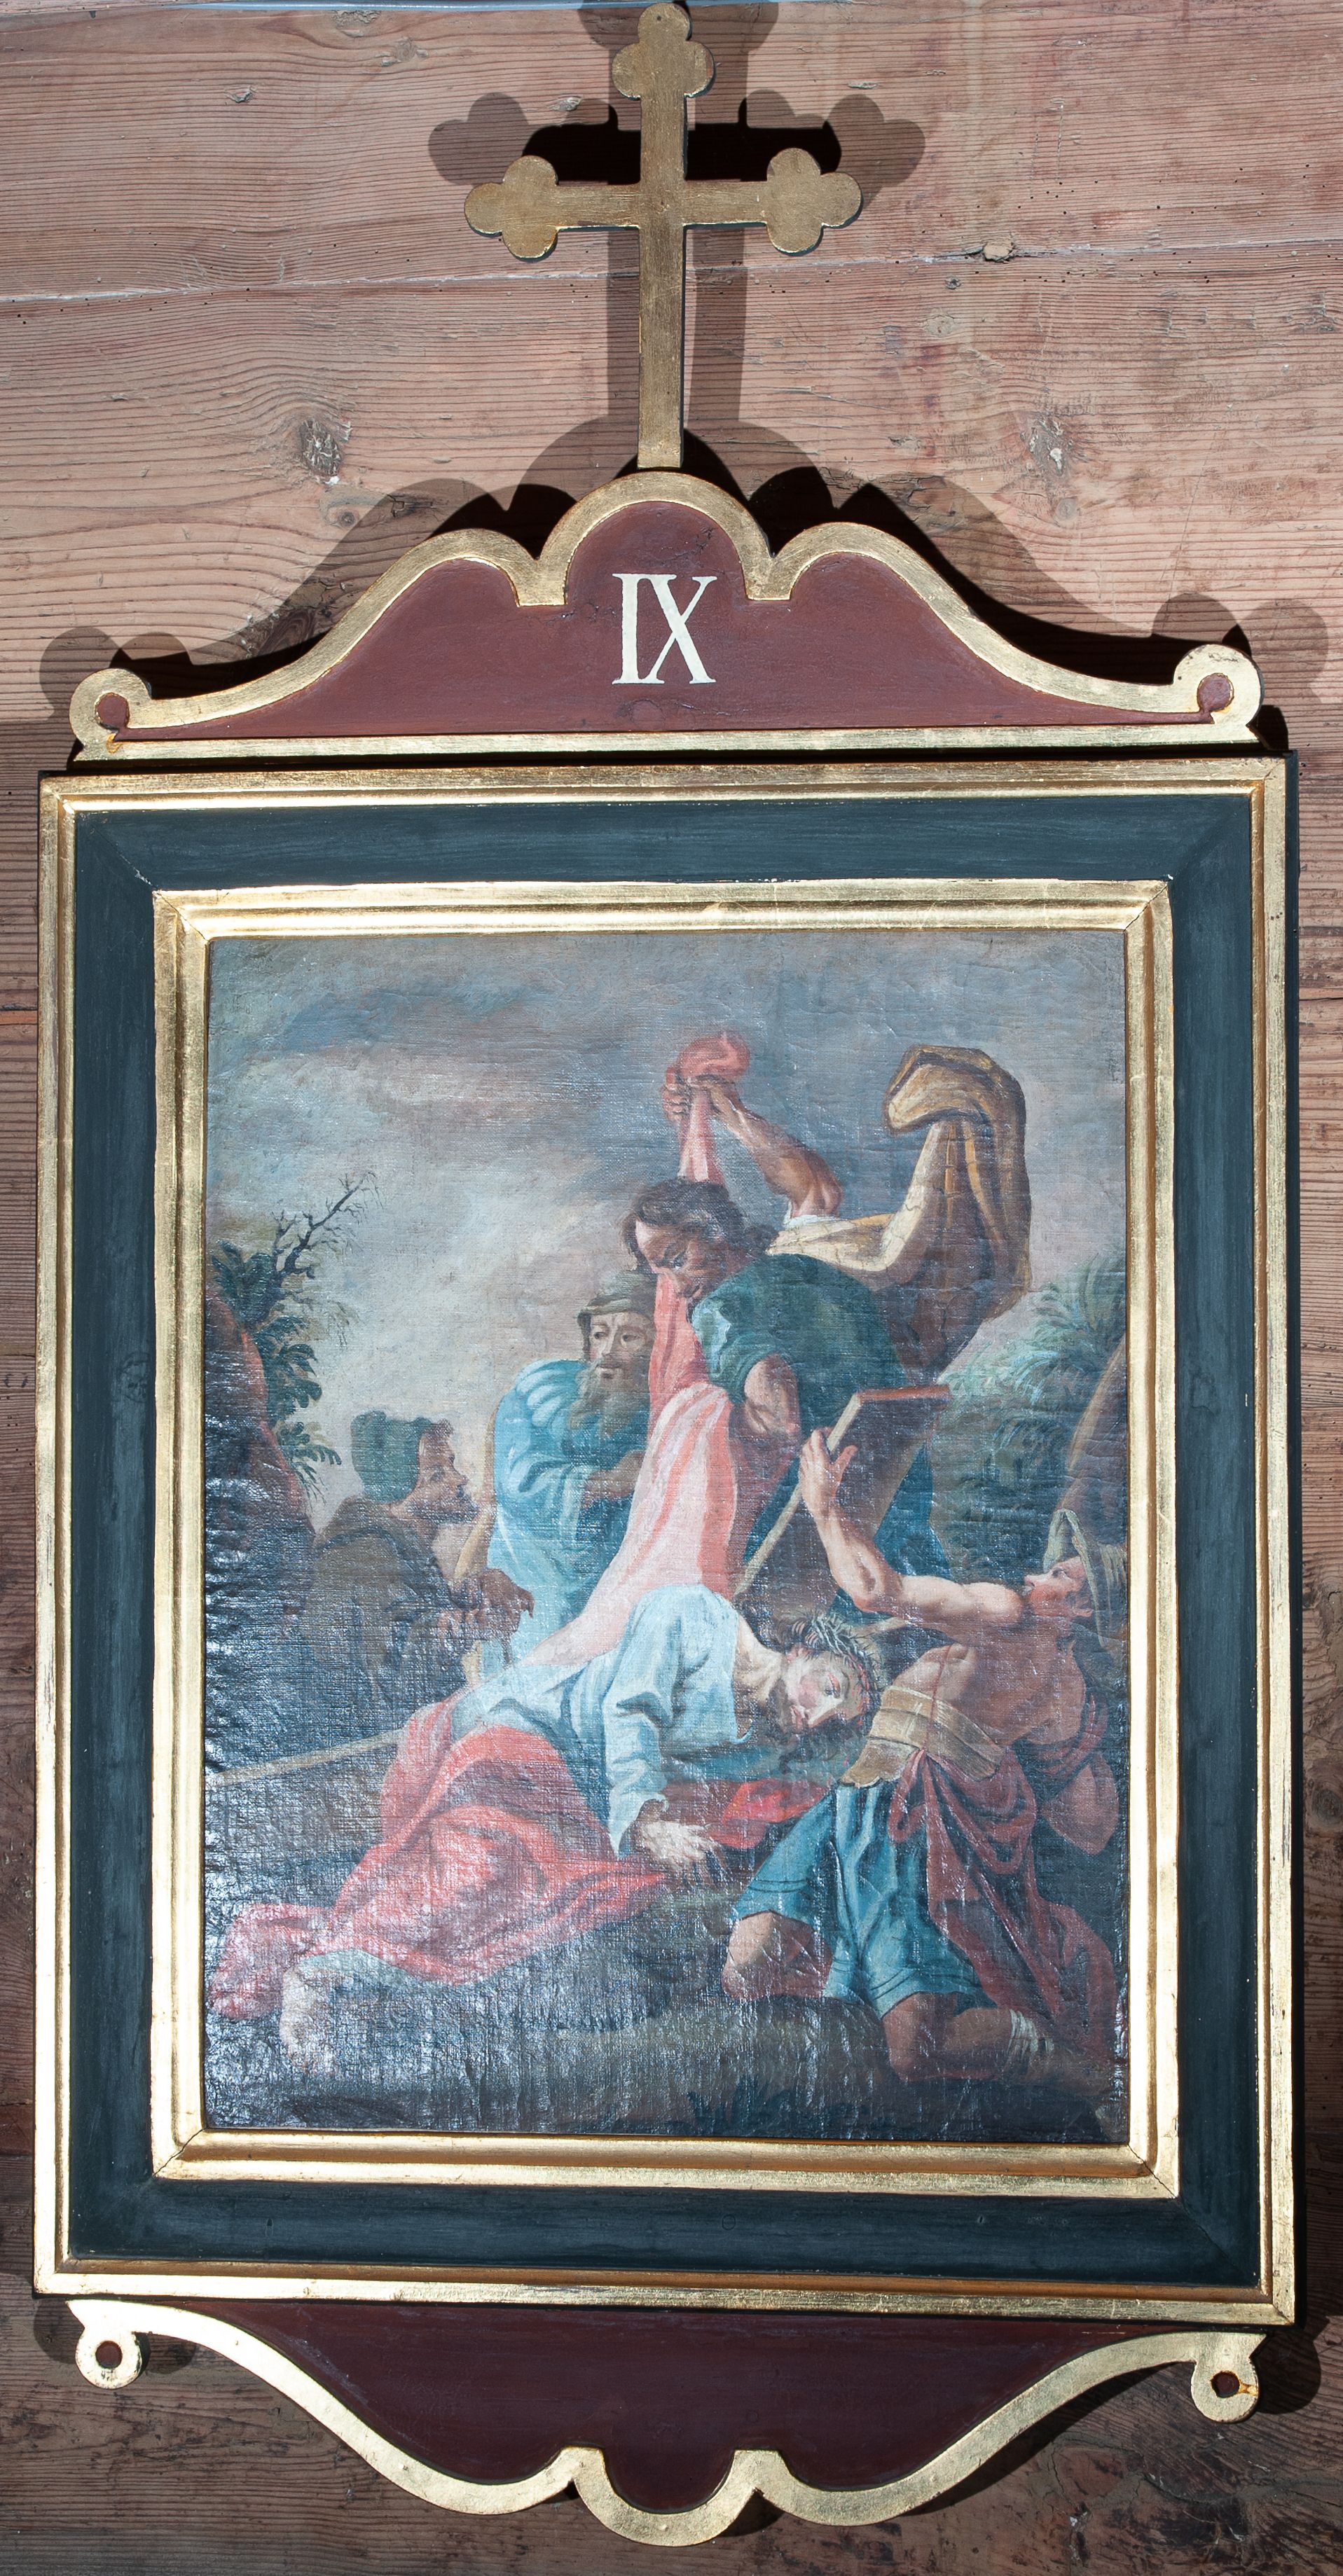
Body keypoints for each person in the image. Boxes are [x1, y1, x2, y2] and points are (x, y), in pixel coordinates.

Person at [208, 1580, 881, 2045]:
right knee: (479, 1874)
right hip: (520, 1735)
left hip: (582, 1799)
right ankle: (324, 1972)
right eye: (829, 1685)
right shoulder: (692, 1616)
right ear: (802, 1648)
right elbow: (630, 1712)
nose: (819, 1712)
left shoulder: (764, 1737)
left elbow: (797, 1784)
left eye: (836, 1714)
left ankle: (361, 1977)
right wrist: (646, 1822)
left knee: (551, 1911)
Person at [722, 1431, 1122, 2105]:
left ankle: (1059, 2062)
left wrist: (823, 1506)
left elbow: (875, 1589)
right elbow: (1089, 1822)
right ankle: (872, 1993)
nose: (1034, 1578)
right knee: (745, 1969)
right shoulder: (1071, 1696)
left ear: (1083, 1609)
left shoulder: (1006, 1615)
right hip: (853, 1800)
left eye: (1059, 1577)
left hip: (904, 1825)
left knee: (917, 2050)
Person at [292, 1412, 531, 1747]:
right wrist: (475, 1624)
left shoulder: (396, 1546)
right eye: (437, 1476)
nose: (459, 1479)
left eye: (450, 1465)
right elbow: (400, 1646)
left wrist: (474, 1589)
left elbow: (416, 1602)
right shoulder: (367, 1552)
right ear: (398, 1496)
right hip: (366, 1748)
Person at [476, 1273, 657, 1656]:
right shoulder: (538, 1391)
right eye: (600, 1335)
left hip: (618, 1578)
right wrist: (607, 1483)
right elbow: (520, 1485)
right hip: (536, 1574)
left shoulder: (658, 1413)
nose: (608, 1354)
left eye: (629, 1338)